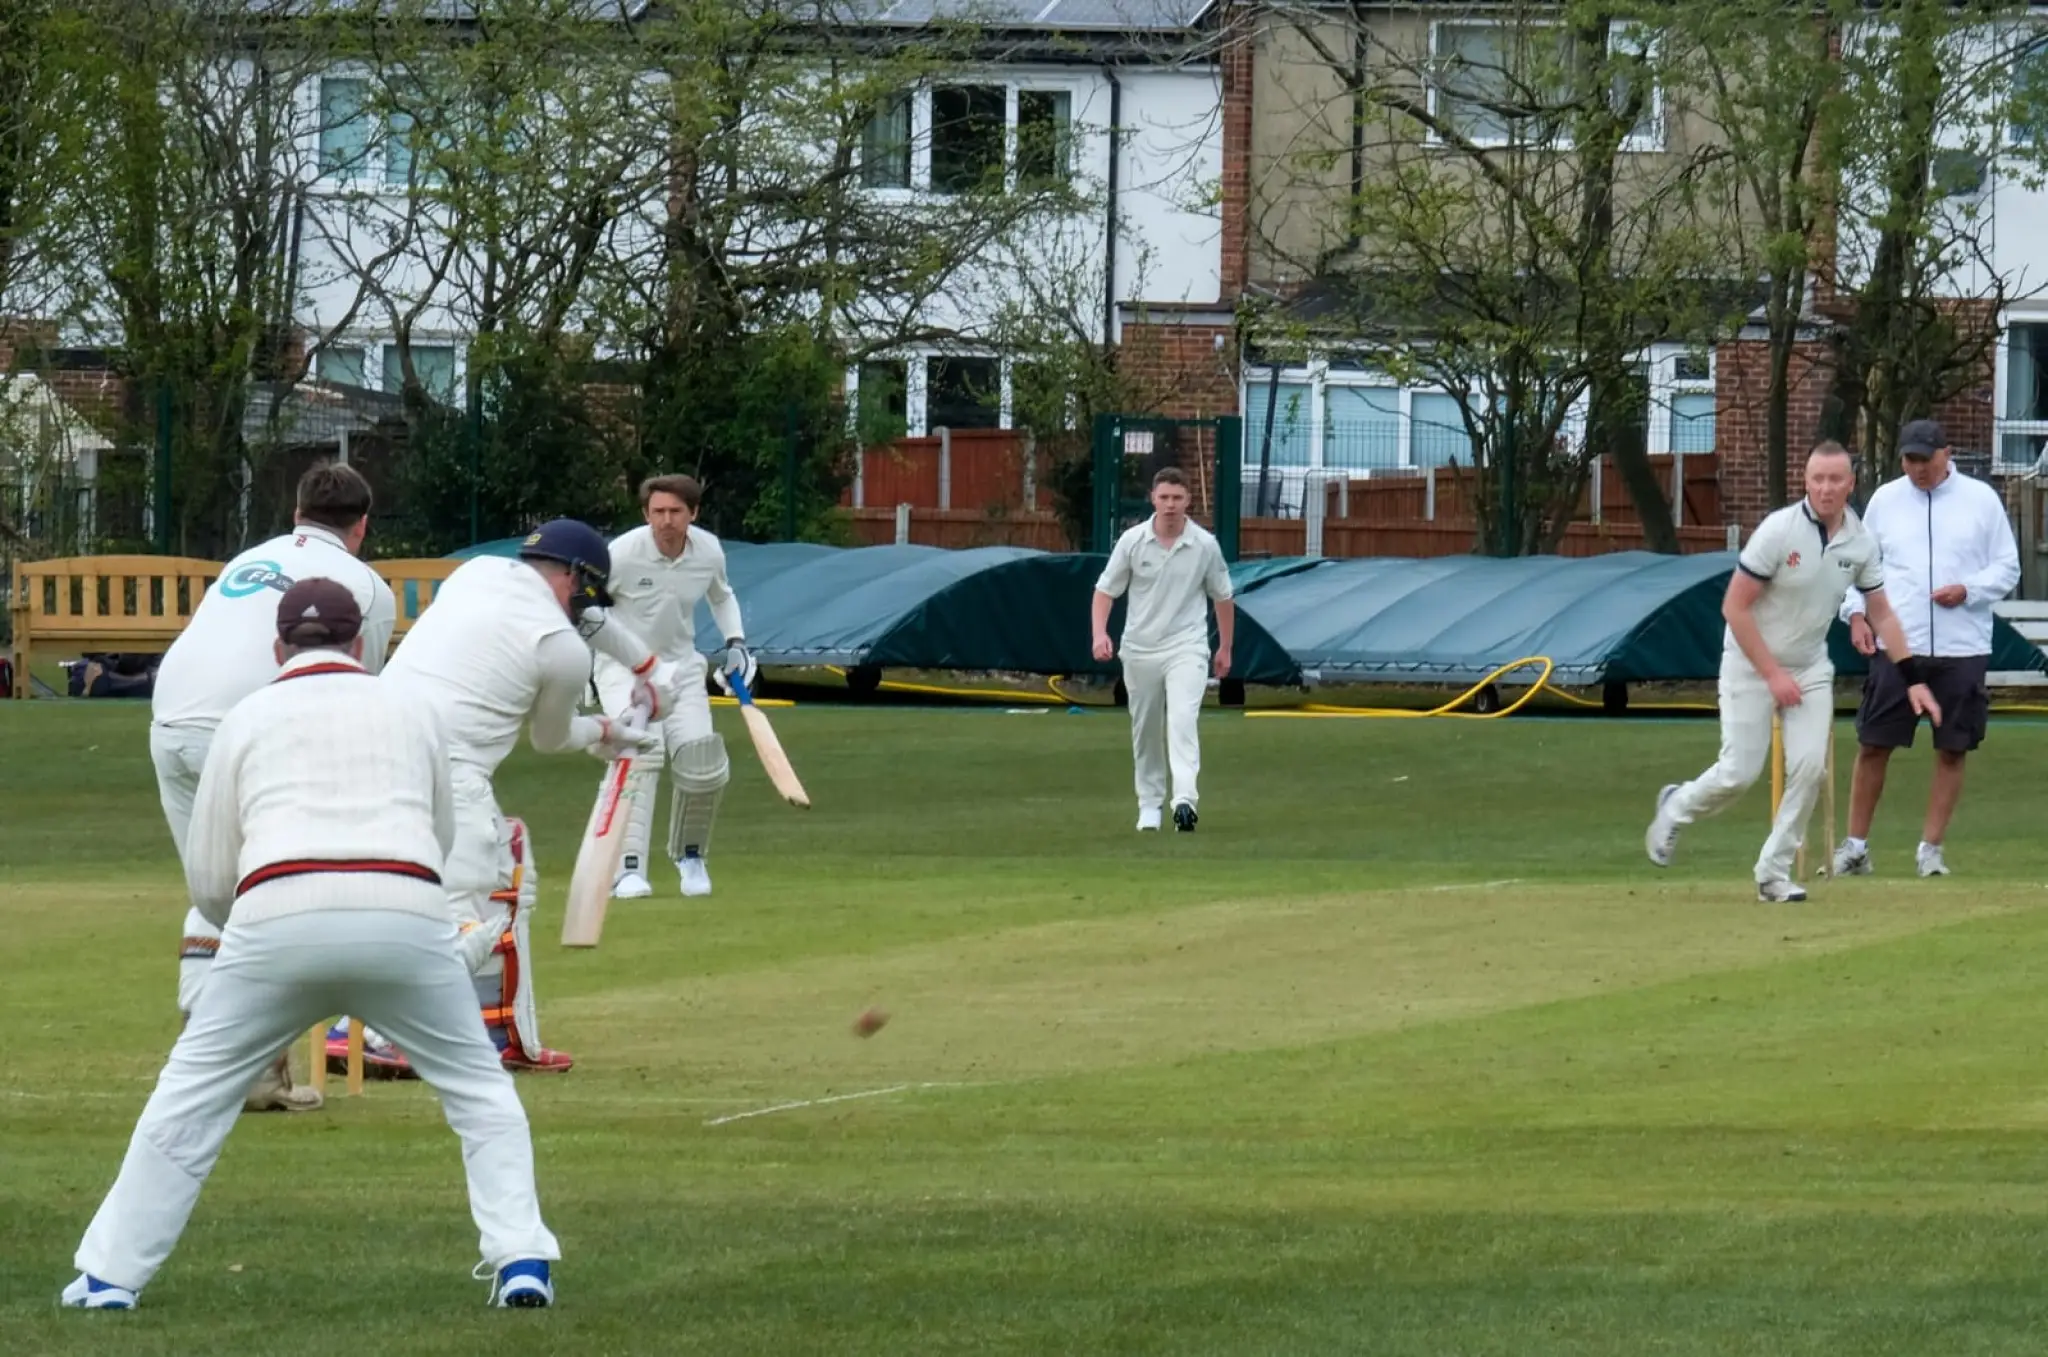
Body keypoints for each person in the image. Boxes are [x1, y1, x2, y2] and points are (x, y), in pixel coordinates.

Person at [62, 578, 560, 1311]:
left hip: (274, 914)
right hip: (406, 912)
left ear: (277, 647)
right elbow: (441, 837)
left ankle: (110, 1278)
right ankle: (522, 1261)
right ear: (360, 643)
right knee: (480, 1090)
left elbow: (208, 876)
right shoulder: (415, 707)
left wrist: (254, 935)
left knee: (190, 1095)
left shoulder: (247, 715)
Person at [366, 519, 673, 1076]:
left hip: (370, 745)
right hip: (445, 771)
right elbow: (551, 737)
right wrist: (609, 730)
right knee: (461, 911)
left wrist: (647, 668)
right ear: (578, 580)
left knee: (511, 875)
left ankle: (502, 1033)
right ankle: (380, 1033)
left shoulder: (475, 574)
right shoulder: (562, 650)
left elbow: (583, 624)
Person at [146, 462, 396, 1113]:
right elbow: (346, 688)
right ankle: (245, 1061)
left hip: (170, 721)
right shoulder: (367, 587)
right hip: (256, 729)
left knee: (219, 893)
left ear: (295, 515)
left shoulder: (246, 559)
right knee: (281, 896)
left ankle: (226, 1066)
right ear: (362, 526)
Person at [1646, 441, 1942, 902]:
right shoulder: (1778, 531)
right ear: (1806, 481)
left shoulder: (1860, 541)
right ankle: (1675, 806)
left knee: (1808, 769)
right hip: (1749, 663)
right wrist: (1771, 675)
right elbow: (1734, 608)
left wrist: (1914, 679)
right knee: (1738, 773)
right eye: (1817, 479)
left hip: (1808, 667)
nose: (1826, 488)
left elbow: (1881, 613)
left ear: (1850, 483)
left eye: (1835, 479)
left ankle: (1773, 872)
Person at [1831, 418, 2021, 878]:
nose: (1917, 468)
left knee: (1953, 749)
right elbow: (1860, 565)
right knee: (1874, 743)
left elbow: (2007, 567)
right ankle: (1855, 847)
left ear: (1946, 453)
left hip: (1962, 646)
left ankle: (1930, 850)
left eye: (1925, 459)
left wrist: (1969, 590)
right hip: (1899, 646)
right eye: (1909, 459)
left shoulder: (1981, 500)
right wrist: (1855, 613)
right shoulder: (1885, 501)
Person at [593, 474, 756, 899]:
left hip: (680, 665)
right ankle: (625, 869)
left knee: (703, 759)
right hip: (623, 665)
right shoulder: (622, 554)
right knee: (642, 750)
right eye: (658, 512)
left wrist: (736, 643)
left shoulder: (708, 551)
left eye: (676, 512)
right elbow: (591, 612)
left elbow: (722, 597)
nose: (666, 520)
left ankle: (691, 856)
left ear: (693, 513)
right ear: (646, 514)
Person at [1090, 466, 1235, 833]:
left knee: (1182, 721)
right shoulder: (1133, 541)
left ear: (1189, 501)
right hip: (1140, 649)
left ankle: (1185, 802)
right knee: (1146, 728)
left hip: (1187, 646)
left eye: (1178, 498)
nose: (1171, 505)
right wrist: (1099, 634)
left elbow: (1223, 597)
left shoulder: (1204, 545)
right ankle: (1149, 806)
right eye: (1164, 498)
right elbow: (1105, 591)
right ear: (1153, 499)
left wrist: (1225, 648)